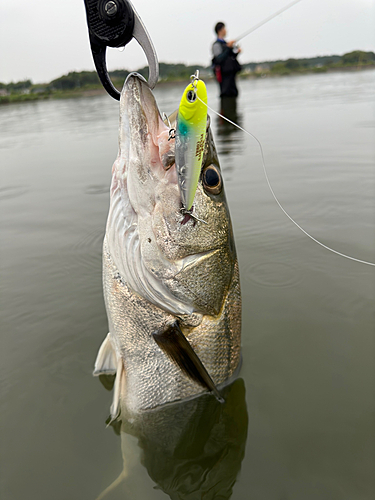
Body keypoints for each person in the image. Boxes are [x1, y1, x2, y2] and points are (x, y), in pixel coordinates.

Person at [212, 22, 242, 98]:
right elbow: (218, 59)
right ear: (220, 30)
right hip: (224, 77)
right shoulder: (216, 45)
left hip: (231, 75)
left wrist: (236, 52)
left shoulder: (226, 44)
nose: (226, 30)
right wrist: (228, 47)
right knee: (226, 95)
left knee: (234, 93)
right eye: (224, 29)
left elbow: (230, 57)